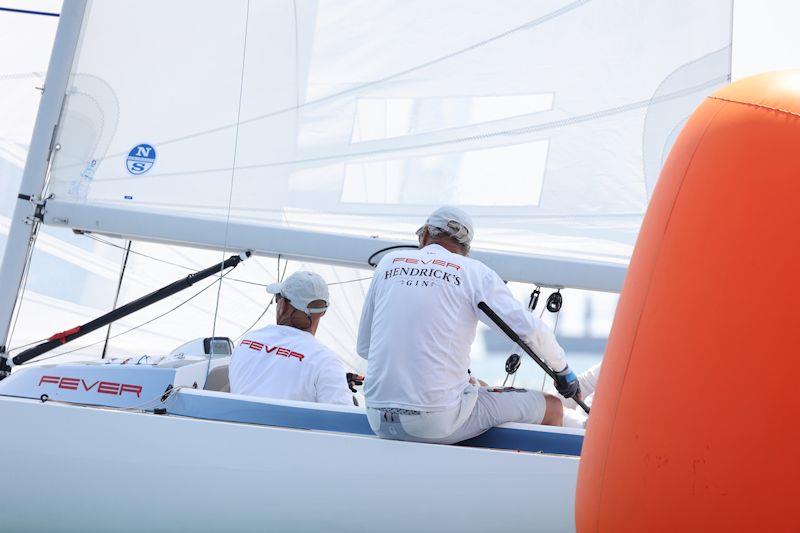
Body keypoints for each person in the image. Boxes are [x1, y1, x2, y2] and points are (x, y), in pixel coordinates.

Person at [356, 206, 581, 444]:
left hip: (378, 419)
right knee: (553, 407)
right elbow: (533, 331)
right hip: (436, 423)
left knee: (477, 385)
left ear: (423, 236)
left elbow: (364, 348)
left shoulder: (388, 263)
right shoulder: (474, 272)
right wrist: (563, 371)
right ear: (466, 250)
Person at [229, 270, 356, 406]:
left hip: (236, 425)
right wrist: (334, 380)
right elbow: (341, 418)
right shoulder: (325, 362)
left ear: (283, 305)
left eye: (277, 298)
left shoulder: (247, 341)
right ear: (323, 312)